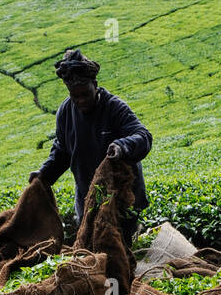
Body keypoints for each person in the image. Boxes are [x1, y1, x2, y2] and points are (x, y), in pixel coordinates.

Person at [30, 48, 152, 236]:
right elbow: (61, 151)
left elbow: (143, 136)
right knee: (91, 244)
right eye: (75, 96)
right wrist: (44, 174)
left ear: (95, 85)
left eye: (85, 94)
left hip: (121, 198)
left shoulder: (114, 107)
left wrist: (121, 147)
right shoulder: (65, 112)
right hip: (87, 198)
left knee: (119, 246)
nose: (80, 100)